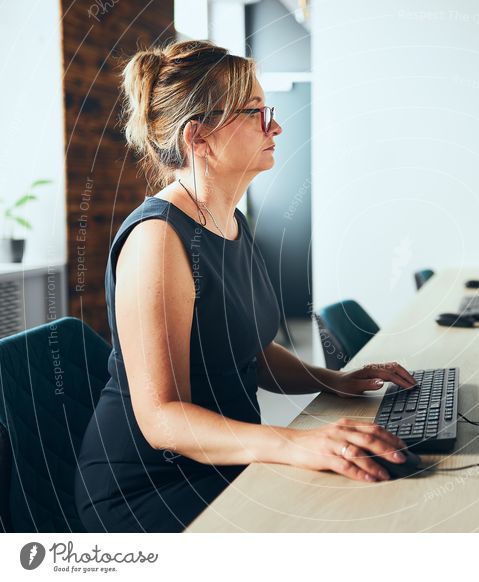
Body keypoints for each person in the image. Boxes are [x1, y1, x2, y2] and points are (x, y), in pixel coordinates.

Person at [74, 40, 416, 533]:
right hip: (150, 488)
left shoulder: (229, 220)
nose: (274, 126)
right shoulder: (157, 239)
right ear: (200, 137)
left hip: (224, 460)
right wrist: (293, 442)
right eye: (256, 112)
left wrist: (333, 381)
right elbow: (161, 418)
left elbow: (247, 351)